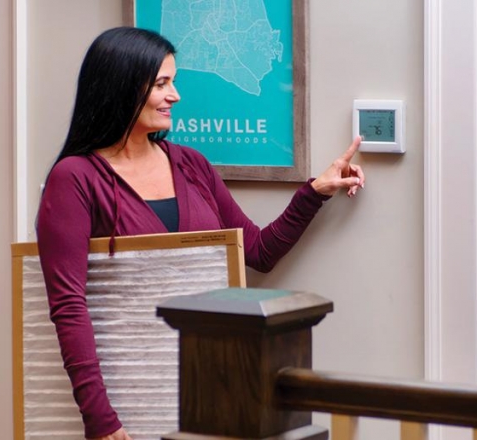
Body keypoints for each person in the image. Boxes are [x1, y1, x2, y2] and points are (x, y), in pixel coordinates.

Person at [36, 26, 365, 440]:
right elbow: (68, 306)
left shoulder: (192, 164)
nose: (175, 95)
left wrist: (315, 192)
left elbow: (258, 251)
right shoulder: (76, 179)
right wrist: (100, 419)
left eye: (173, 82)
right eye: (162, 83)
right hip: (128, 397)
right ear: (120, 87)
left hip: (213, 389)